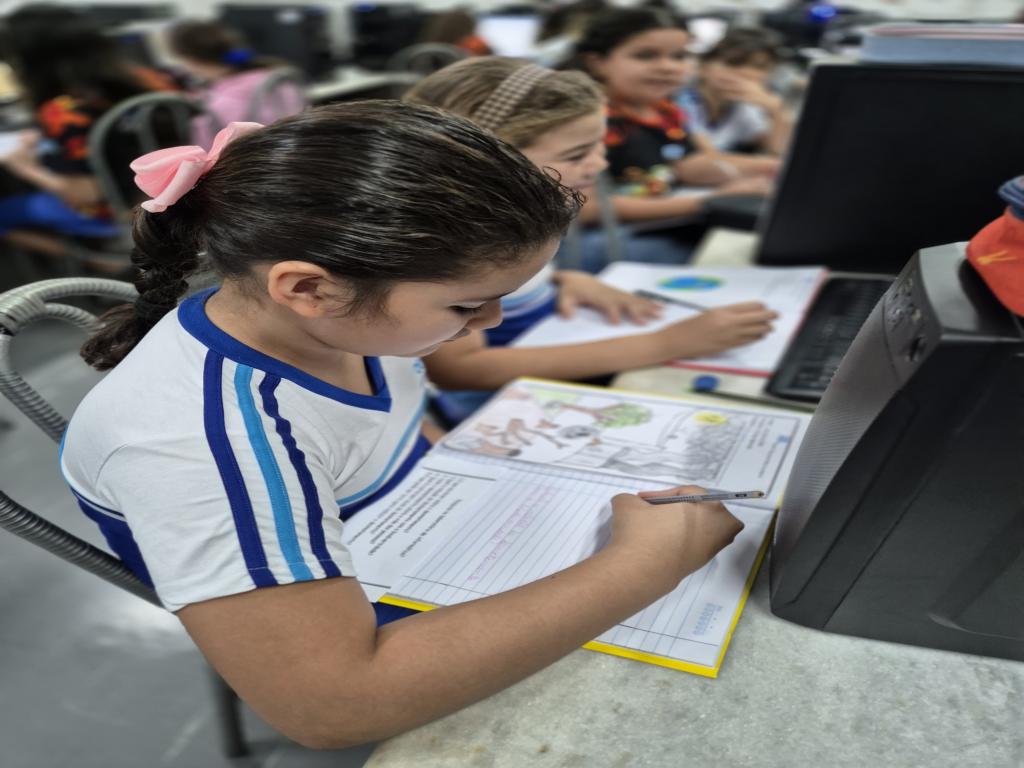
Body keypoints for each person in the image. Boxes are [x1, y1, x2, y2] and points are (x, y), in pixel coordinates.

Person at [59, 102, 744, 748]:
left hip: (423, 542)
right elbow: (333, 705)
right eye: (469, 305)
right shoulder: (205, 445)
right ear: (308, 289)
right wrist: (646, 565)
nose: (492, 325)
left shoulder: (338, 325)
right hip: (349, 619)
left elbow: (391, 438)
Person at [405, 57, 777, 413]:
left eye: (600, 145)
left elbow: (510, 286)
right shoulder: (452, 246)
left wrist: (567, 279)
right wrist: (666, 343)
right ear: (482, 159)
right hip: (492, 405)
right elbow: (461, 370)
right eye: (578, 153)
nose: (599, 164)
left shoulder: (512, 219)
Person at [571, 8, 777, 225]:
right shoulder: (585, 119)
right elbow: (587, 208)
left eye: (679, 56)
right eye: (645, 55)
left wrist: (773, 168)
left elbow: (686, 163)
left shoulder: (664, 110)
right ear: (597, 63)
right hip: (608, 238)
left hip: (658, 217)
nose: (668, 67)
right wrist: (711, 201)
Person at [0, 4, 175, 255]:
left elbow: (88, 194)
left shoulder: (63, 112)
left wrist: (24, 167)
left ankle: (97, 260)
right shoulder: (143, 80)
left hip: (118, 211)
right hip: (168, 195)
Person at [165, 20, 306, 149]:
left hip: (256, 164)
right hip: (292, 151)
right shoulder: (271, 74)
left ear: (191, 59)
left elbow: (208, 156)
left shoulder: (218, 106)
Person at [677, 29, 793, 155]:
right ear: (703, 67)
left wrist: (777, 111)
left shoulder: (744, 108)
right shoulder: (681, 101)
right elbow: (711, 158)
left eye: (760, 67)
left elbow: (778, 151)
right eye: (733, 64)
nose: (746, 73)